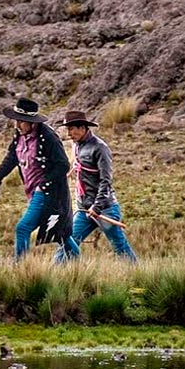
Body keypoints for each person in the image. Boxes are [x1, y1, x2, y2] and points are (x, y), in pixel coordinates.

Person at [0, 97, 79, 263]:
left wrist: (43, 186)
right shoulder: (19, 135)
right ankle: (78, 262)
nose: (17, 125)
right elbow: (12, 157)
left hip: (48, 194)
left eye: (21, 121)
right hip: (33, 192)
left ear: (32, 122)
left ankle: (20, 267)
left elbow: (62, 165)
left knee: (23, 228)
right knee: (60, 234)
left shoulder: (48, 137)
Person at [59, 109, 137, 263]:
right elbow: (79, 166)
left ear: (82, 128)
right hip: (83, 209)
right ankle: (53, 275)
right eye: (67, 129)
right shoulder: (76, 145)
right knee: (67, 243)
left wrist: (97, 206)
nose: (69, 134)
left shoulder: (100, 148)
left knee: (119, 246)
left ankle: (139, 277)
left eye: (71, 129)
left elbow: (105, 181)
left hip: (105, 209)